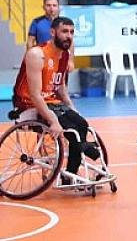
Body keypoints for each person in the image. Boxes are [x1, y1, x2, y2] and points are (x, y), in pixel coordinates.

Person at [13, 17, 100, 182]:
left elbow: (60, 87)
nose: (69, 36)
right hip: (28, 104)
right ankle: (88, 151)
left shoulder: (64, 55)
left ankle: (70, 174)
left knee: (81, 124)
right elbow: (35, 95)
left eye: (72, 32)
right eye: (65, 31)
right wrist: (53, 121)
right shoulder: (37, 54)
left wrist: (72, 107)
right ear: (53, 33)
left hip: (52, 102)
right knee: (72, 132)